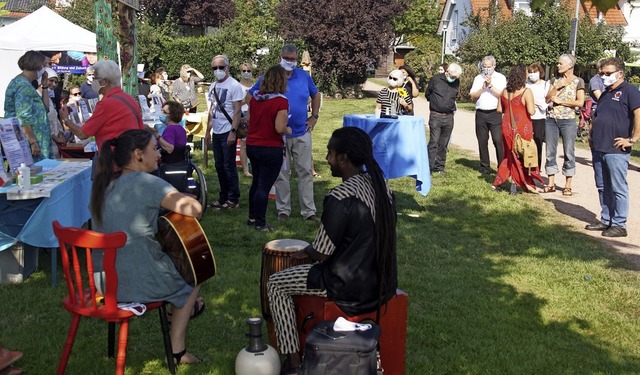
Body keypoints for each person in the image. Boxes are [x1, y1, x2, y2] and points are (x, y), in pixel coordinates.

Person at [267, 127, 398, 373]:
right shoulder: (383, 188)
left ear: (343, 158)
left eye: (330, 153)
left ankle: (294, 362)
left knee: (276, 284)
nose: (327, 159)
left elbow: (323, 252)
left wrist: (306, 251)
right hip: (384, 283)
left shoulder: (340, 196)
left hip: (347, 287)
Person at [90, 129, 205, 365]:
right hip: (135, 280)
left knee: (166, 262)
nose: (159, 154)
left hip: (104, 282)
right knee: (195, 272)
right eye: (155, 149)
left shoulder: (104, 185)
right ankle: (177, 351)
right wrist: (185, 198)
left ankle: (182, 309)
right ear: (138, 154)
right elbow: (195, 210)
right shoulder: (150, 183)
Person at [249, 44, 321, 222]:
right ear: (280, 57)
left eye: (292, 59)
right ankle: (283, 209)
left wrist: (315, 116)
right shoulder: (271, 76)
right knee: (281, 173)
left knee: (305, 171)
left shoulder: (304, 76)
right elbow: (251, 95)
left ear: (297, 59)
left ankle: (308, 210)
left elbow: (316, 94)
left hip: (301, 131)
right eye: (286, 58)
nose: (289, 62)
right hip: (277, 135)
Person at [585, 57, 640, 238]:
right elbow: (597, 115)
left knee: (617, 187)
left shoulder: (630, 91)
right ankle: (606, 218)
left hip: (616, 149)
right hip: (599, 146)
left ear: (620, 73)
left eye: (608, 74)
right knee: (602, 185)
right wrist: (591, 134)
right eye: (602, 74)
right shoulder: (606, 93)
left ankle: (619, 224)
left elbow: (638, 114)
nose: (603, 77)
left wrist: (633, 139)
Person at [59, 60, 144, 151]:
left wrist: (66, 119)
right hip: (130, 153)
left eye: (95, 78)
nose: (92, 81)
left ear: (104, 81)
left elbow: (82, 134)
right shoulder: (128, 98)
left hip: (115, 158)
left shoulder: (106, 104)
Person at [246, 65, 292, 231]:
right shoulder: (281, 101)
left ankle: (252, 217)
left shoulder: (255, 98)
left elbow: (250, 119)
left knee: (256, 182)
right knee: (264, 186)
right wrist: (288, 129)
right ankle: (260, 222)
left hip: (253, 144)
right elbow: (279, 128)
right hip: (270, 146)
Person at [493, 64, 543, 194]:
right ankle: (516, 184)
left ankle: (499, 181)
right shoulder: (526, 91)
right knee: (521, 155)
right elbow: (531, 111)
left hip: (506, 127)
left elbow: (499, 109)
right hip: (522, 128)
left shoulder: (504, 91)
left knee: (509, 155)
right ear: (523, 75)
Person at [204, 55, 243, 210]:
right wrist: (208, 131)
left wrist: (233, 132)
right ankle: (223, 196)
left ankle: (233, 198)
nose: (218, 70)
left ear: (228, 67)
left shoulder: (234, 85)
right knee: (219, 165)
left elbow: (237, 110)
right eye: (215, 68)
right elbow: (211, 110)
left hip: (228, 129)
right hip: (217, 130)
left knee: (229, 166)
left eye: (221, 67)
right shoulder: (212, 86)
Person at [543, 53, 585, 196]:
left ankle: (567, 185)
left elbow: (580, 102)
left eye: (561, 63)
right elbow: (547, 99)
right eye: (558, 63)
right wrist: (557, 87)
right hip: (551, 119)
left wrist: (561, 102)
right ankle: (550, 183)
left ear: (570, 66)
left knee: (568, 151)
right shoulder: (555, 80)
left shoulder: (578, 81)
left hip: (568, 120)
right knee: (550, 151)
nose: (558, 65)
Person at [4, 50, 51, 161]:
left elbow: (45, 109)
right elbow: (23, 118)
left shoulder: (25, 84)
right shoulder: (23, 86)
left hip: (37, 138)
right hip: (30, 141)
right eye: (44, 65)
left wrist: (44, 87)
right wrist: (33, 142)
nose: (45, 69)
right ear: (37, 65)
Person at [469, 55, 507, 175]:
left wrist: (490, 86)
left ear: (494, 66)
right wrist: (483, 87)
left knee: (498, 140)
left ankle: (502, 166)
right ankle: (485, 166)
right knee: (482, 140)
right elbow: (473, 96)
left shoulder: (500, 78)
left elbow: (503, 95)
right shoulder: (478, 78)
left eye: (489, 67)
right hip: (481, 112)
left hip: (495, 112)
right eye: (484, 66)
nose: (486, 69)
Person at [425, 63, 462, 175]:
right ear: (447, 72)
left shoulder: (456, 81)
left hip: (449, 116)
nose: (453, 79)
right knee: (434, 142)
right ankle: (429, 167)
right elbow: (428, 94)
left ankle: (439, 167)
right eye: (452, 76)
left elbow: (454, 95)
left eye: (455, 77)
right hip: (436, 115)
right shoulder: (435, 79)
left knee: (444, 143)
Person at [526, 63, 550, 169]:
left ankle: (537, 167)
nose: (532, 74)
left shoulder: (545, 84)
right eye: (530, 72)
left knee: (538, 141)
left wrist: (538, 103)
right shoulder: (526, 85)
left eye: (534, 72)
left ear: (540, 73)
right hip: (527, 117)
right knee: (526, 142)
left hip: (540, 117)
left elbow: (548, 101)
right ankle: (526, 165)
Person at [43, 68, 67, 158]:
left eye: (56, 82)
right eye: (51, 80)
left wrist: (60, 133)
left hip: (56, 144)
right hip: (45, 143)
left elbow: (55, 120)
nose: (53, 84)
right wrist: (55, 137)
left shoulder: (49, 99)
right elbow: (42, 122)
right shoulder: (36, 98)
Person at [239, 62, 254, 177]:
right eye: (244, 71)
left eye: (248, 71)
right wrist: (247, 98)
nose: (246, 73)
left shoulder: (254, 86)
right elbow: (236, 103)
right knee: (244, 143)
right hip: (243, 114)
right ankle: (245, 169)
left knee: (254, 142)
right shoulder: (237, 86)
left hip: (254, 114)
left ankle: (254, 166)